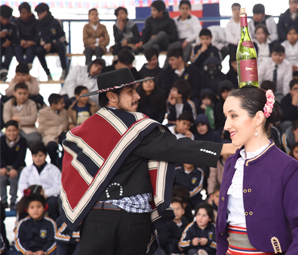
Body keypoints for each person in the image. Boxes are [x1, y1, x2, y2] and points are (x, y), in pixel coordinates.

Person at [59, 68, 236, 255]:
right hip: (131, 222)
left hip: (96, 220)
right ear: (112, 96)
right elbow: (173, 147)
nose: (137, 96)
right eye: (130, 92)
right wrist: (225, 148)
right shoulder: (134, 127)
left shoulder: (83, 130)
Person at [217, 86, 298, 254]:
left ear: (258, 118)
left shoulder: (287, 168)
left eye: (233, 116)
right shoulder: (231, 163)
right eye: (226, 117)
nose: (227, 125)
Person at [18, 143, 61, 221]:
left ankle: (53, 223)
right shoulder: (26, 170)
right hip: (31, 196)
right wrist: (33, 194)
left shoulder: (54, 169)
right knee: (20, 204)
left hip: (48, 197)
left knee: (53, 203)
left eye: (41, 155)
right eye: (35, 156)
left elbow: (58, 186)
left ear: (46, 156)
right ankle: (22, 223)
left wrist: (45, 194)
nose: (38, 158)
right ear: (32, 156)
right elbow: (22, 186)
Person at [38, 94, 74, 166]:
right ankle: (54, 163)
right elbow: (41, 128)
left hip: (62, 132)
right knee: (51, 146)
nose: (64, 104)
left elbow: (69, 121)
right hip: (50, 134)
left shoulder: (64, 111)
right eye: (61, 103)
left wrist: (71, 125)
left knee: (68, 143)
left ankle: (62, 162)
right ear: (54, 104)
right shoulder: (43, 112)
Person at [3, 83, 42, 148]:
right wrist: (26, 121)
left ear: (28, 93)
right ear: (14, 93)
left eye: (24, 93)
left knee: (36, 139)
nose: (22, 96)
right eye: (20, 93)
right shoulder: (8, 104)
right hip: (12, 130)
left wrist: (17, 119)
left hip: (29, 130)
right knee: (3, 140)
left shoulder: (32, 103)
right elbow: (7, 121)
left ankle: (35, 157)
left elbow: (33, 119)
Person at [35, 3, 67, 81]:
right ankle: (48, 74)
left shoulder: (55, 22)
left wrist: (52, 43)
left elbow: (62, 37)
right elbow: (38, 38)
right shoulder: (38, 24)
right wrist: (44, 44)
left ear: (45, 12)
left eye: (39, 13)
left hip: (56, 45)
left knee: (61, 45)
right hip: (45, 46)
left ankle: (64, 70)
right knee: (38, 50)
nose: (38, 16)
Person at [0, 120, 27, 210]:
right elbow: (0, 155)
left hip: (17, 167)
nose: (11, 133)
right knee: (2, 178)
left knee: (13, 178)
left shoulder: (22, 141)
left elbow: (21, 157)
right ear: (5, 131)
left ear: (18, 130)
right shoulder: (1, 140)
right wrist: (2, 167)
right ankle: (3, 201)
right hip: (4, 167)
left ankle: (13, 201)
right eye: (9, 130)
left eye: (14, 130)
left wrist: (14, 168)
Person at [13, 2, 38, 68]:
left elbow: (38, 35)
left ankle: (26, 67)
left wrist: (32, 42)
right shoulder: (16, 22)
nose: (21, 15)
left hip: (31, 44)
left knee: (31, 50)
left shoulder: (35, 22)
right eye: (20, 13)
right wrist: (20, 41)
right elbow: (14, 35)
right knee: (17, 49)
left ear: (30, 13)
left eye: (24, 13)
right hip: (20, 43)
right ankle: (22, 67)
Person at [0, 4, 19, 81]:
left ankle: (4, 70)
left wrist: (10, 42)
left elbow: (16, 39)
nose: (5, 21)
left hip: (8, 47)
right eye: (3, 18)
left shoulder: (13, 26)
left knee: (10, 51)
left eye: (7, 19)